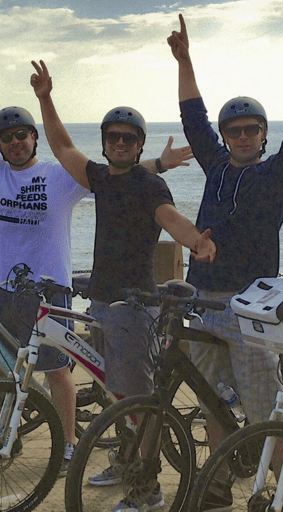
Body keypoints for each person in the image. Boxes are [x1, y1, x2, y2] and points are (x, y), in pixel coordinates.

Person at [166, 13, 283, 506]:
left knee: (265, 408)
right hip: (203, 298)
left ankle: (278, 490)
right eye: (235, 130)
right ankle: (220, 483)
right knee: (209, 401)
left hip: (250, 310)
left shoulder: (277, 175)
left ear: (263, 135)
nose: (243, 136)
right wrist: (184, 59)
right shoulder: (216, 166)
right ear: (226, 137)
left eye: (252, 130)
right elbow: (192, 116)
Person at [30, 59, 217, 511]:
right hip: (102, 302)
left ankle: (147, 491)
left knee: (134, 401)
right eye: (112, 137)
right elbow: (62, 147)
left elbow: (169, 219)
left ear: (138, 146)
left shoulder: (149, 185)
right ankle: (125, 460)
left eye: (127, 138)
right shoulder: (100, 178)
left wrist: (195, 240)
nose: (118, 143)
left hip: (134, 307)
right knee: (115, 390)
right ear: (107, 143)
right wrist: (45, 99)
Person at [0, 104, 193, 477]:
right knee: (14, 373)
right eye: (7, 138)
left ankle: (74, 444)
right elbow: (115, 175)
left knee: (63, 371)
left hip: (52, 290)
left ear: (34, 138)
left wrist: (161, 164)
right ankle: (119, 458)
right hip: (14, 290)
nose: (15, 142)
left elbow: (119, 177)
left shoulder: (58, 177)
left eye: (22, 134)